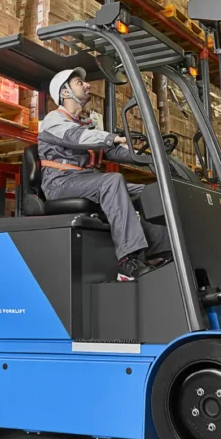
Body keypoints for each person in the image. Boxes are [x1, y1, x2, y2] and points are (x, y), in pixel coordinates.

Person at [37, 67, 172, 281]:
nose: (87, 84)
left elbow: (111, 151)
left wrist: (148, 153)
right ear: (65, 92)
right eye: (79, 82)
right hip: (61, 183)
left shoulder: (87, 124)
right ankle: (127, 260)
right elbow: (76, 138)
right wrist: (114, 137)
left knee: (151, 192)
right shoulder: (53, 121)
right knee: (112, 181)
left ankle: (158, 253)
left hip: (85, 181)